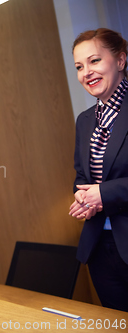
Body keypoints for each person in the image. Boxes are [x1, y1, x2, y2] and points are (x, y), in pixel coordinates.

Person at [69, 28, 128, 312]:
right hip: (99, 246)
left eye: (94, 61)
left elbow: (102, 189)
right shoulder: (84, 121)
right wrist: (83, 199)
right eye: (79, 66)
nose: (86, 72)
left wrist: (103, 194)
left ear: (120, 60)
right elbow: (82, 177)